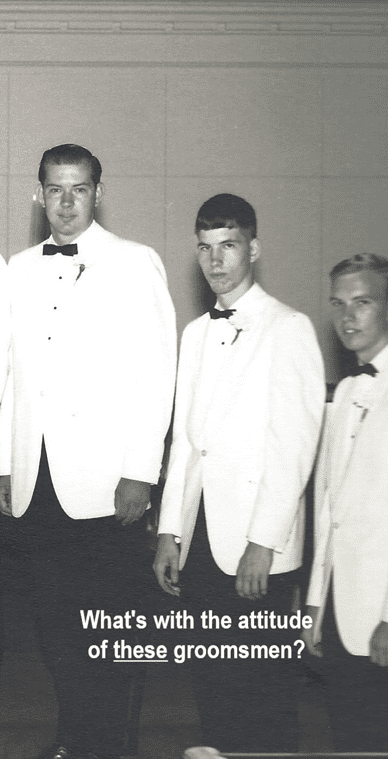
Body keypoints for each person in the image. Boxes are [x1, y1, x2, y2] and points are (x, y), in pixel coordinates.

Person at [0, 144, 176, 759]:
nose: (66, 202)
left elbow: (156, 374)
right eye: (55, 189)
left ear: (98, 193)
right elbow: (7, 376)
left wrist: (140, 473)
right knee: (54, 635)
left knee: (105, 633)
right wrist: (5, 462)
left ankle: (107, 745)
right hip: (36, 486)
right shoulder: (16, 269)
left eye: (79, 189)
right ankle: (76, 740)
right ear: (37, 194)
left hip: (106, 486)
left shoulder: (135, 263)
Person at [154, 193, 325, 752]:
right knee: (215, 688)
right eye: (205, 248)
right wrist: (168, 533)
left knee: (266, 696)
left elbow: (294, 448)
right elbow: (186, 444)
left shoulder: (288, 327)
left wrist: (263, 543)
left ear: (254, 248)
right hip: (201, 542)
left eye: (227, 246)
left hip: (257, 548)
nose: (215, 260)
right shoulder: (195, 333)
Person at [303, 252, 388, 752]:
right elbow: (329, 512)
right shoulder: (347, 391)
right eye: (338, 304)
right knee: (349, 738)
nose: (346, 317)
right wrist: (315, 603)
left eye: (362, 302)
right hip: (338, 609)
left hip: (380, 614)